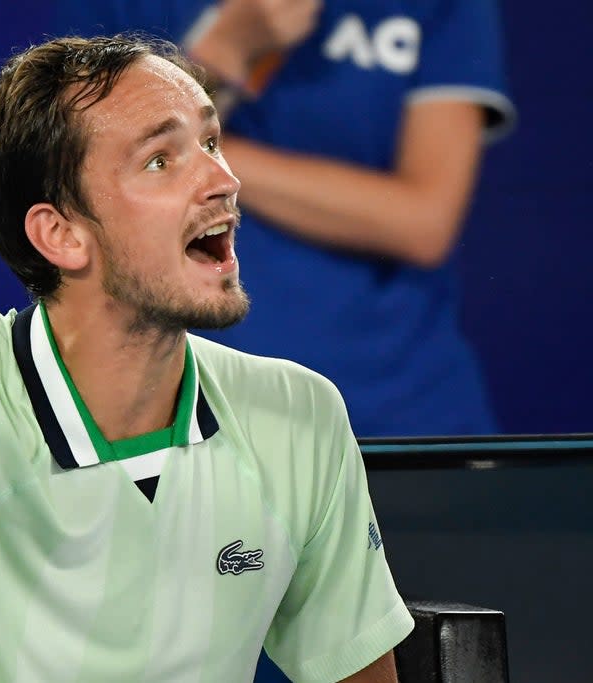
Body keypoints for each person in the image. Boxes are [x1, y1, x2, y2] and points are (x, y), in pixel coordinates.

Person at [0, 36, 412, 682]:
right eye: (159, 160)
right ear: (61, 234)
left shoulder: (299, 416)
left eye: (210, 142)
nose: (224, 180)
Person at [54, 0, 517, 437]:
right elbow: (89, 171)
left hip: (396, 413)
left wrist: (179, 160)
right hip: (182, 407)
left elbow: (424, 221)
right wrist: (226, 49)